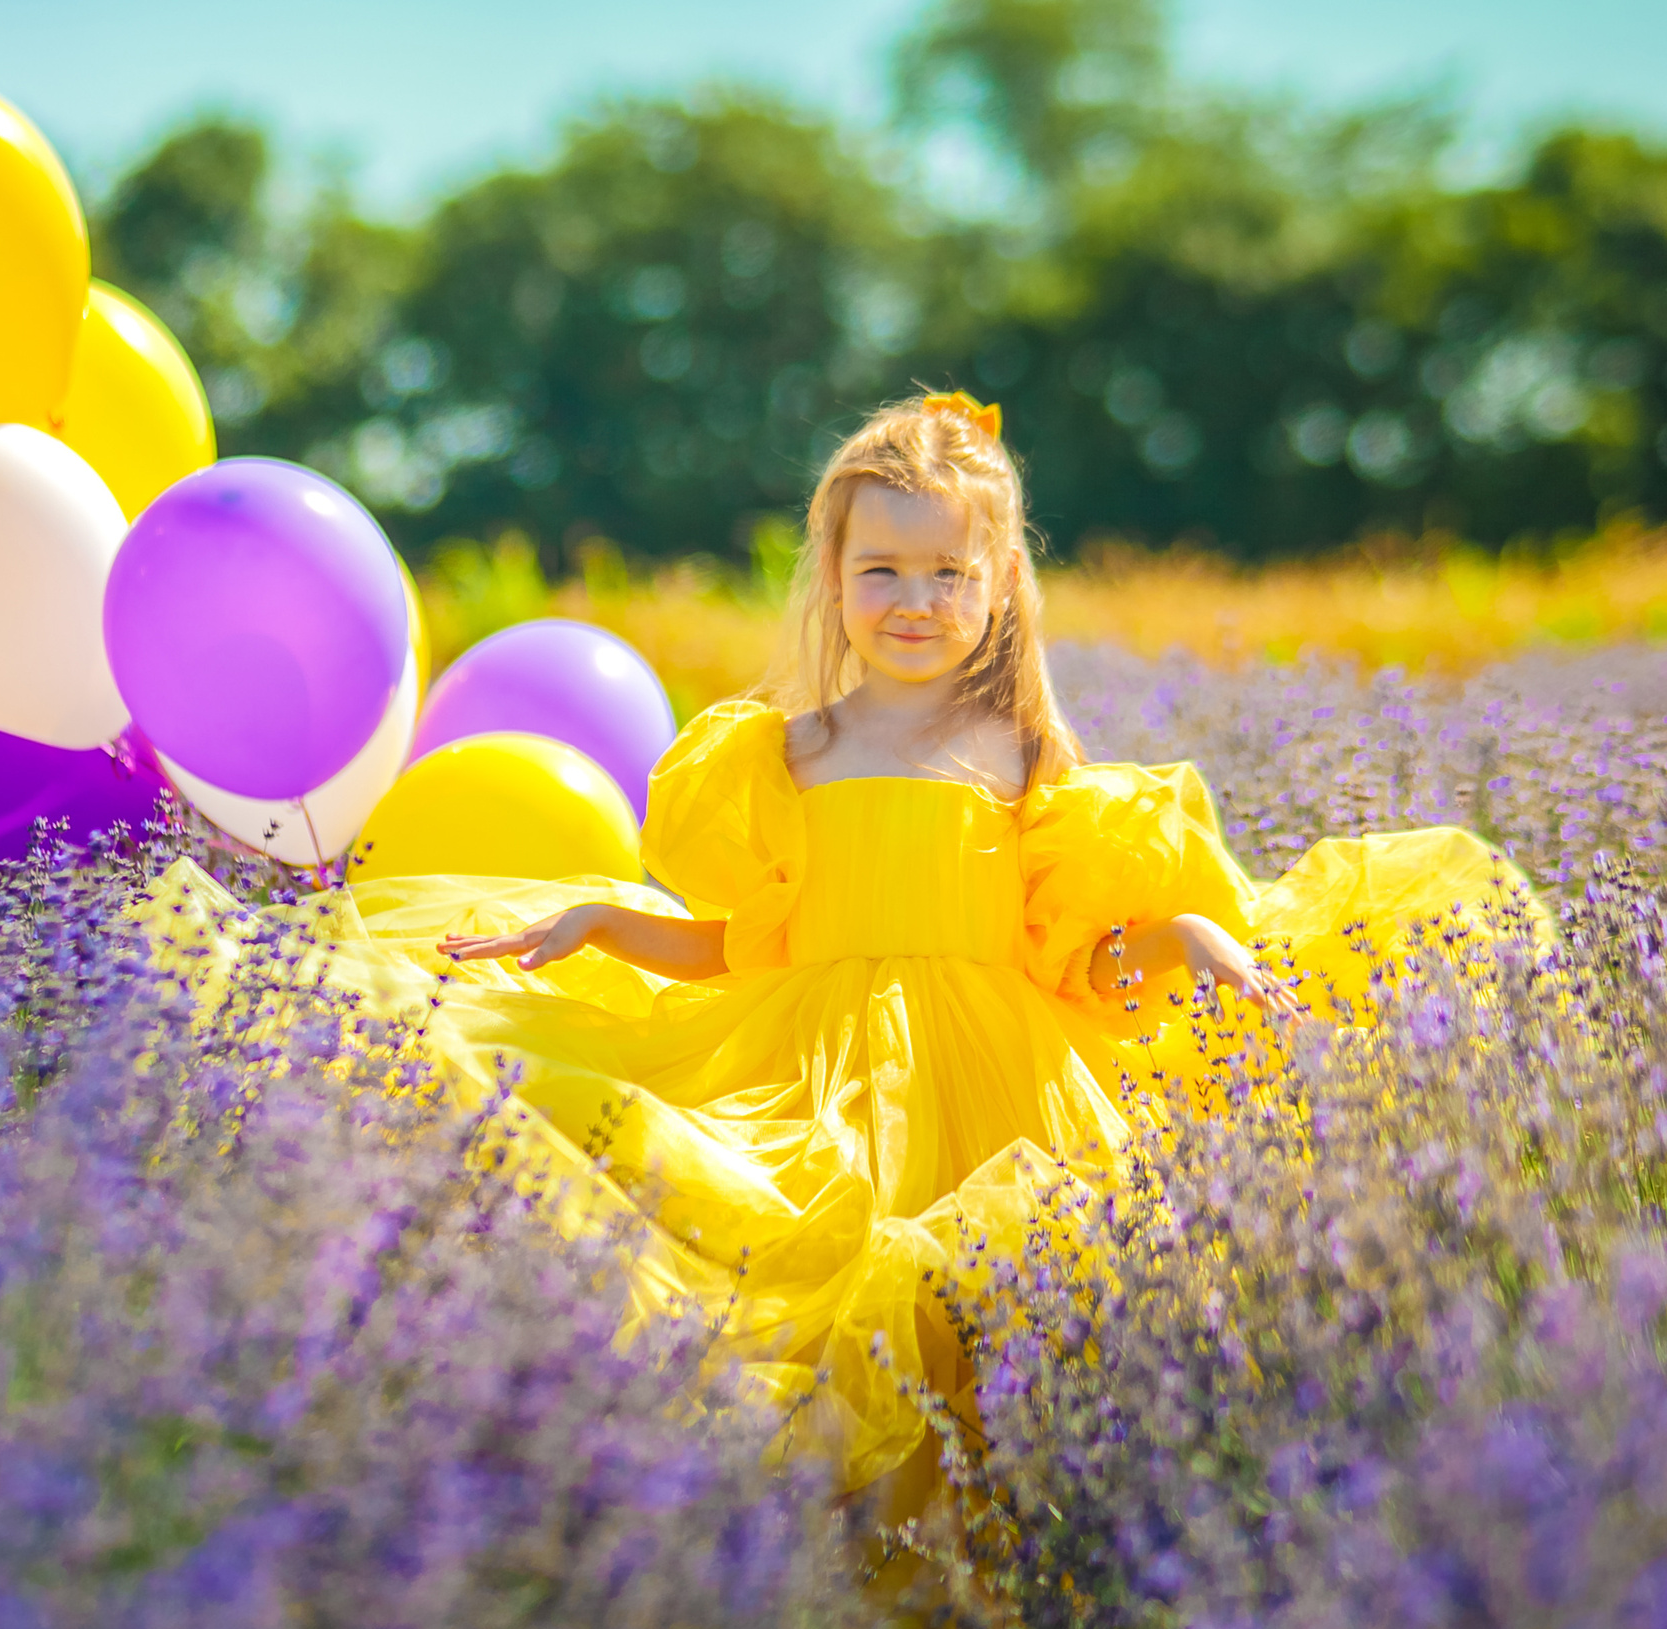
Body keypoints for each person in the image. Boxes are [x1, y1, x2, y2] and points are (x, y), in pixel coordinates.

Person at [141, 391, 1542, 1503]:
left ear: (999, 585)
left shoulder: (1025, 755)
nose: (915, 600)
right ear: (835, 575)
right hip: (798, 1071)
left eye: (948, 571)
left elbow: (1082, 969)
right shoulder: (784, 752)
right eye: (883, 569)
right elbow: (745, 949)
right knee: (804, 1318)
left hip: (999, 1089)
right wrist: (597, 923)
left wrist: (1181, 936)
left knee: (987, 1342)